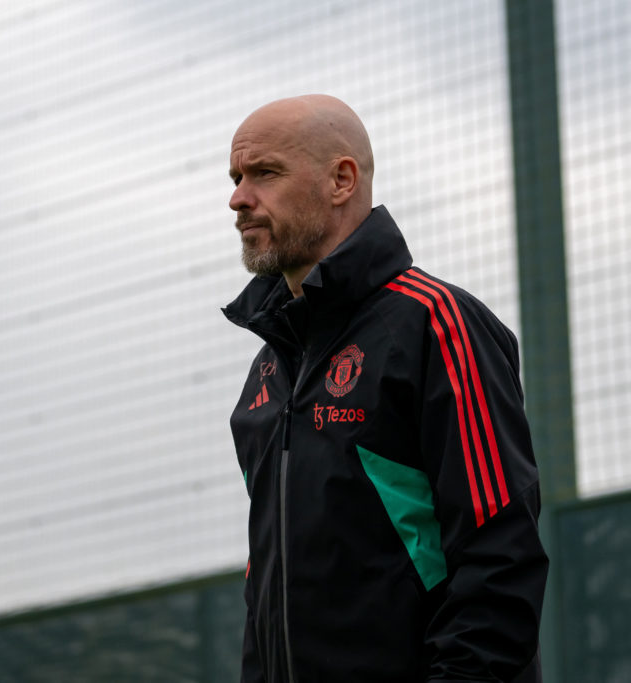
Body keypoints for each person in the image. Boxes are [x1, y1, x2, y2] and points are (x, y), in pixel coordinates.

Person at [222, 95, 549, 683]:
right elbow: (263, 595)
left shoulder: (437, 324)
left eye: (264, 173)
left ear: (342, 180)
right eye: (237, 178)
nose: (239, 197)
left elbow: (500, 558)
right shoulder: (265, 378)